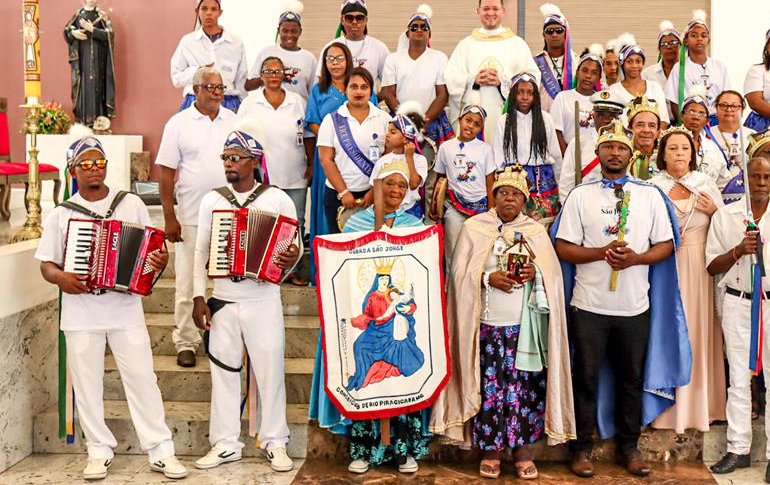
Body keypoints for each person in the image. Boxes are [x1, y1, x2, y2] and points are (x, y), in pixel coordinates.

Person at [35, 135, 186, 481]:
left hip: (124, 308)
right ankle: (98, 451)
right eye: (86, 164)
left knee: (143, 379)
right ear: (73, 170)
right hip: (81, 312)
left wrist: (159, 260)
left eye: (99, 163)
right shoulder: (62, 214)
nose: (94, 169)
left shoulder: (130, 203)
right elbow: (46, 264)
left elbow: (151, 250)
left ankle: (161, 450)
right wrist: (61, 278)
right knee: (87, 384)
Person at [554, 121, 689, 478]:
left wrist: (636, 259)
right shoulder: (580, 195)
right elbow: (563, 247)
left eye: (621, 148)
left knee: (631, 380)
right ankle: (581, 449)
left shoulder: (649, 196)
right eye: (608, 147)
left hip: (634, 307)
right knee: (585, 379)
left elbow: (665, 244)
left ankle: (629, 447)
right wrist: (601, 253)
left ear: (632, 154)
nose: (615, 153)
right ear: (598, 153)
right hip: (588, 306)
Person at [430, 166, 574, 479]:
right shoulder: (475, 227)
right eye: (503, 193)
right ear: (493, 197)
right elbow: (459, 275)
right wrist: (486, 277)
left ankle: (522, 451)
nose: (509, 198)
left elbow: (553, 277)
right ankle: (491, 450)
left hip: (524, 330)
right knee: (490, 390)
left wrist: (535, 273)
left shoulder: (535, 232)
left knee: (524, 390)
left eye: (516, 194)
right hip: (487, 328)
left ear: (524, 200)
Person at [308, 161, 429, 475]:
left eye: (402, 186)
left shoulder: (414, 226)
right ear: (377, 185)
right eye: (390, 183)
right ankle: (362, 448)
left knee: (401, 375)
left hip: (396, 324)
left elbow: (419, 275)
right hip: (372, 322)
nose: (396, 190)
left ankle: (402, 450)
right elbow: (345, 274)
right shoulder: (355, 225)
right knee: (360, 360)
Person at [192, 127, 300, 473]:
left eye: (236, 158)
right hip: (223, 299)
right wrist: (198, 296)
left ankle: (275, 441)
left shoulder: (277, 199)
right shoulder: (212, 200)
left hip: (263, 299)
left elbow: (294, 246)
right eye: (225, 157)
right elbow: (201, 251)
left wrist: (291, 258)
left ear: (254, 162)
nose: (229, 163)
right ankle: (225, 444)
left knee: (270, 372)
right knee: (223, 374)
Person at [706, 158, 770, 484]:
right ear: (745, 179)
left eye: (767, 176)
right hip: (738, 304)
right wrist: (738, 250)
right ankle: (738, 448)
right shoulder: (725, 217)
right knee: (738, 379)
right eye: (755, 176)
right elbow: (712, 266)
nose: (761, 182)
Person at [157, 66, 237, 367]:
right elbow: (166, 174)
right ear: (195, 90)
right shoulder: (178, 123)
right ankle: (186, 341)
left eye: (220, 88)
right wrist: (169, 216)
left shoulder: (234, 120)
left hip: (229, 215)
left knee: (226, 281)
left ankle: (219, 337)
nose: (217, 93)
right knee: (188, 283)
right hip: (190, 216)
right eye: (211, 87)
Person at [649, 127, 726, 434]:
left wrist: (716, 211)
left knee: (700, 332)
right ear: (662, 154)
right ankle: (669, 410)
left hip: (701, 268)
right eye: (673, 148)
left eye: (684, 148)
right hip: (666, 266)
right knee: (669, 332)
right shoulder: (652, 188)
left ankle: (704, 406)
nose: (679, 153)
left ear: (693, 154)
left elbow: (726, 230)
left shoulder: (705, 185)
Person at [237, 56, 310, 284]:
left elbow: (307, 135)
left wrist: (310, 163)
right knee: (262, 222)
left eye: (278, 71)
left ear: (284, 74)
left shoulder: (298, 101)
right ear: (261, 75)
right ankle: (262, 267)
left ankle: (291, 270)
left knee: (295, 223)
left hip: (295, 174)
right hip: (262, 177)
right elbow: (239, 138)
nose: (273, 76)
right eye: (268, 71)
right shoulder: (250, 103)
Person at [305, 42, 377, 244]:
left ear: (348, 61)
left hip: (363, 161)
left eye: (339, 58)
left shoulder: (360, 85)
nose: (335, 63)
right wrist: (333, 139)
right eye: (330, 59)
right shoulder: (319, 90)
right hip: (328, 157)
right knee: (328, 206)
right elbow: (312, 121)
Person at [445, 0, 539, 142]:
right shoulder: (465, 45)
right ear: (478, 11)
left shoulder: (517, 44)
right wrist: (473, 80)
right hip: (473, 117)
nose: (490, 13)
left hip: (506, 113)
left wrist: (503, 82)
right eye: (486, 8)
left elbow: (533, 78)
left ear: (503, 11)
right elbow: (451, 77)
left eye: (495, 8)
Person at [317, 68, 391, 233]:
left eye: (364, 87)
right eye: (354, 86)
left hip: (374, 195)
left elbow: (389, 158)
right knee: (340, 246)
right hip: (338, 195)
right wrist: (343, 192)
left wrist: (374, 191)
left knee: (372, 245)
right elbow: (326, 160)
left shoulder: (384, 119)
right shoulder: (331, 120)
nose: (359, 92)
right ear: (345, 89)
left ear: (371, 90)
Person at [431, 103, 497, 267]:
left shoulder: (485, 149)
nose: (471, 126)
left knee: (478, 253)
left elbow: (490, 183)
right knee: (452, 252)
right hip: (454, 208)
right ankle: (452, 283)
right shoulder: (446, 147)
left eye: (477, 124)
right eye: (468, 120)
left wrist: (491, 213)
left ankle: (475, 282)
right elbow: (440, 179)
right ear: (460, 120)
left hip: (480, 209)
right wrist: (434, 207)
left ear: (481, 128)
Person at [492, 72, 562, 224]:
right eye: (520, 92)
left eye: (530, 93)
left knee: (543, 225)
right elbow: (498, 161)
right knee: (515, 225)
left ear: (535, 96)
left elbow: (556, 157)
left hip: (542, 180)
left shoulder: (546, 119)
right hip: (513, 179)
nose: (525, 97)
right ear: (513, 94)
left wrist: (561, 189)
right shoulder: (503, 121)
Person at [381, 4, 453, 145]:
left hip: (430, 122)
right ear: (407, 33)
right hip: (399, 122)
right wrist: (405, 120)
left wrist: (424, 121)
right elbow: (388, 94)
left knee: (428, 159)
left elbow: (443, 95)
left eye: (424, 27)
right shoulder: (393, 59)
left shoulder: (440, 58)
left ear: (429, 34)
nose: (419, 30)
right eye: (414, 27)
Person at [170, 0, 246, 112]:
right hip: (195, 102)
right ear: (197, 11)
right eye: (204, 8)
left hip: (228, 103)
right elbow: (176, 78)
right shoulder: (188, 42)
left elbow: (241, 82)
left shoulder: (236, 43)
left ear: (220, 12)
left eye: (214, 9)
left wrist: (244, 108)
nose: (209, 13)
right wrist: (197, 72)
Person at [666, 9, 731, 125]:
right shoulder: (679, 68)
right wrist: (683, 125)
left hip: (716, 121)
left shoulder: (719, 66)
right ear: (686, 40)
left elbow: (726, 97)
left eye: (703, 35)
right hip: (690, 121)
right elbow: (674, 103)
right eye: (694, 35)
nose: (699, 39)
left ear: (708, 40)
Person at [557, 90, 625, 202]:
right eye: (601, 115)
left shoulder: (625, 145)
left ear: (618, 119)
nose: (606, 120)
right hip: (585, 205)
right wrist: (570, 208)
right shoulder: (578, 144)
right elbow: (566, 184)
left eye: (611, 116)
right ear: (594, 116)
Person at [63, 0, 116, 126]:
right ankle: (81, 121)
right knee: (81, 86)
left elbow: (110, 35)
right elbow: (67, 30)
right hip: (81, 60)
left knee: (96, 86)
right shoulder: (78, 14)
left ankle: (97, 122)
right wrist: (74, 33)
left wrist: (92, 29)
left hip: (98, 60)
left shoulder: (102, 16)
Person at [316, 0, 390, 87]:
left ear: (366, 20)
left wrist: (372, 96)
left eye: (359, 18)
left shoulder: (379, 48)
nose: (354, 22)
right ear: (342, 20)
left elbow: (387, 85)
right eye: (349, 18)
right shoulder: (330, 47)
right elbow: (321, 83)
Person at [244, 1, 317, 101]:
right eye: (285, 31)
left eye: (294, 31)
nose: (289, 35)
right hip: (269, 108)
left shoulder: (309, 58)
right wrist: (269, 74)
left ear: (300, 31)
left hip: (299, 109)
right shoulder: (266, 52)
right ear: (279, 31)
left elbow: (314, 92)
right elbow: (248, 86)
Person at [370, 104, 429, 221]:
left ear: (406, 138)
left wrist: (409, 158)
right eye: (388, 131)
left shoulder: (419, 160)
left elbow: (413, 185)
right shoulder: (383, 160)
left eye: (392, 132)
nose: (387, 134)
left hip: (410, 212)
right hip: (386, 212)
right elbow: (375, 190)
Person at [550, 44, 604, 153]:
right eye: (585, 70)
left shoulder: (601, 102)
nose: (588, 76)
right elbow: (556, 132)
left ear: (599, 78)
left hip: (595, 157)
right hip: (569, 155)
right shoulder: (562, 98)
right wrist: (567, 157)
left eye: (594, 73)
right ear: (577, 72)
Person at [607, 34, 670, 124]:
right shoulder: (613, 90)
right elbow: (611, 122)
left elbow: (663, 121)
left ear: (643, 63)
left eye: (638, 61)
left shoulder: (655, 87)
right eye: (629, 61)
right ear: (622, 64)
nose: (634, 66)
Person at [677, 87, 727, 185]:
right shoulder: (669, 143)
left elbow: (723, 182)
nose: (696, 117)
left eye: (702, 114)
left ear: (707, 120)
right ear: (682, 115)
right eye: (691, 112)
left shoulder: (712, 148)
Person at [534, 3, 579, 111]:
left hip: (571, 116)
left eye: (559, 30)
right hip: (544, 117)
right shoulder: (535, 63)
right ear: (544, 35)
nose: (554, 35)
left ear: (565, 33)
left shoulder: (577, 61)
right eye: (549, 31)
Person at [706, 90, 754, 187]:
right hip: (715, 187)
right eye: (724, 105)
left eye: (735, 106)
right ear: (716, 109)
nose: (729, 109)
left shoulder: (753, 135)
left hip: (746, 188)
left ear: (742, 110)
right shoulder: (707, 135)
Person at [625, 94, 662, 181]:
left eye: (652, 125)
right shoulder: (622, 156)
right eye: (640, 125)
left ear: (658, 132)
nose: (646, 130)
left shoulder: (666, 156)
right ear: (630, 129)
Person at [641, 20, 682, 98]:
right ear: (659, 49)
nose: (669, 47)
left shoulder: (688, 71)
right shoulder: (647, 74)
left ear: (680, 45)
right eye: (664, 44)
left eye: (673, 43)